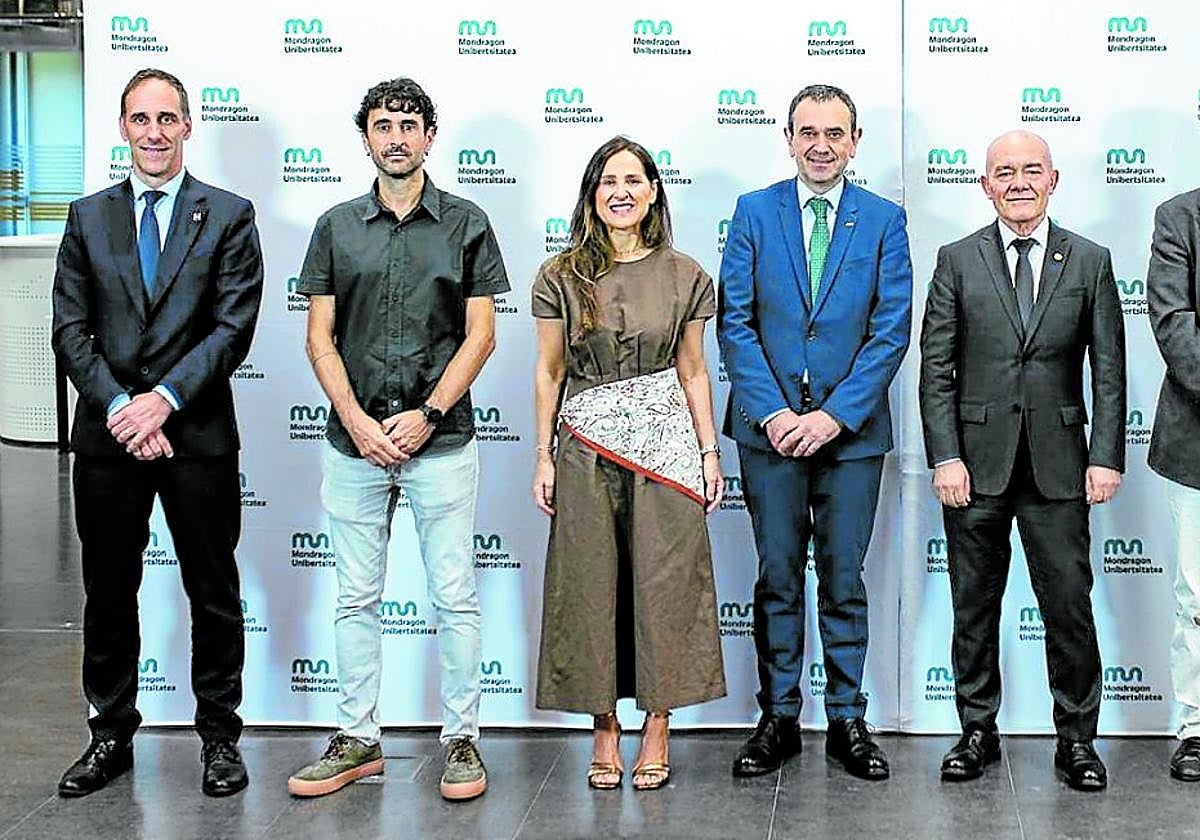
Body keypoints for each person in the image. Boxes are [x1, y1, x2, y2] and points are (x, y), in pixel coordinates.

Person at [287, 77, 509, 802]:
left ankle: (463, 741)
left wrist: (429, 414)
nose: (396, 137)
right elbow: (318, 337)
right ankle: (358, 739)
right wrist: (355, 419)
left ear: (430, 136)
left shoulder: (467, 222)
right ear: (366, 137)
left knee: (454, 596)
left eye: (409, 124)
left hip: (441, 443)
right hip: (352, 445)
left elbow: (482, 335)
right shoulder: (335, 225)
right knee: (355, 597)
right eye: (383, 125)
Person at [51, 67, 264, 798]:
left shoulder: (230, 215)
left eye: (167, 118)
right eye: (140, 119)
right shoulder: (86, 218)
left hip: (196, 435)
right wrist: (124, 408)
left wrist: (164, 401)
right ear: (123, 128)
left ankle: (219, 741)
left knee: (213, 591)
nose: (154, 132)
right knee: (109, 592)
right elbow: (70, 330)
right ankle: (108, 735)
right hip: (110, 440)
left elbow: (233, 328)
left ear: (187, 127)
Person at [919, 130, 1125, 791]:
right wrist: (945, 455)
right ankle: (976, 730)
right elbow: (936, 369)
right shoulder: (956, 258)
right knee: (972, 606)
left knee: (1068, 605)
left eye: (1030, 170)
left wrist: (1106, 457)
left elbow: (1110, 371)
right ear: (984, 185)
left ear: (1054, 179)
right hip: (974, 469)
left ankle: (1077, 740)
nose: (1017, 182)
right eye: (1003, 172)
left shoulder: (1090, 260)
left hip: (1062, 466)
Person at [719, 84, 912, 780]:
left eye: (835, 132)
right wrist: (773, 413)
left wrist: (834, 415)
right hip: (767, 435)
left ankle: (847, 720)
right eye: (808, 132)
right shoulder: (753, 213)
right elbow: (733, 322)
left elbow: (891, 331)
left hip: (851, 436)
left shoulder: (885, 221)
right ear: (788, 136)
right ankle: (777, 716)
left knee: (843, 579)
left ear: (855, 141)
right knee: (775, 578)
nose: (821, 145)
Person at [531, 136, 726, 791]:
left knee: (665, 588)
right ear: (592, 194)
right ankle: (604, 728)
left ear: (652, 193)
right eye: (607, 181)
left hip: (667, 452)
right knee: (591, 587)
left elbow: (694, 370)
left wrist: (707, 452)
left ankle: (658, 727)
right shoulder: (560, 275)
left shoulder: (687, 275)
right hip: (586, 449)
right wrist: (542, 457)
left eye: (633, 181)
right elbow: (549, 371)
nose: (620, 192)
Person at [1147, 186, 1200, 782]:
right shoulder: (1178, 218)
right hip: (1196, 441)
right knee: (1197, 594)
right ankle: (1195, 728)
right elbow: (1173, 322)